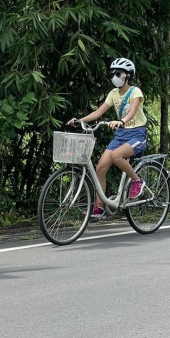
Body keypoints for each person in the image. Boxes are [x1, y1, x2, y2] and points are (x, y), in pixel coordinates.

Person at [69, 57, 147, 219]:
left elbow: (132, 111)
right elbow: (98, 113)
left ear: (128, 75)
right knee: (100, 168)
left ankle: (137, 181)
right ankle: (99, 207)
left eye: (118, 73)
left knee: (116, 155)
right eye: (112, 74)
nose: (115, 77)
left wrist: (121, 121)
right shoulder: (113, 94)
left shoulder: (135, 92)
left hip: (137, 133)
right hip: (121, 135)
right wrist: (79, 121)